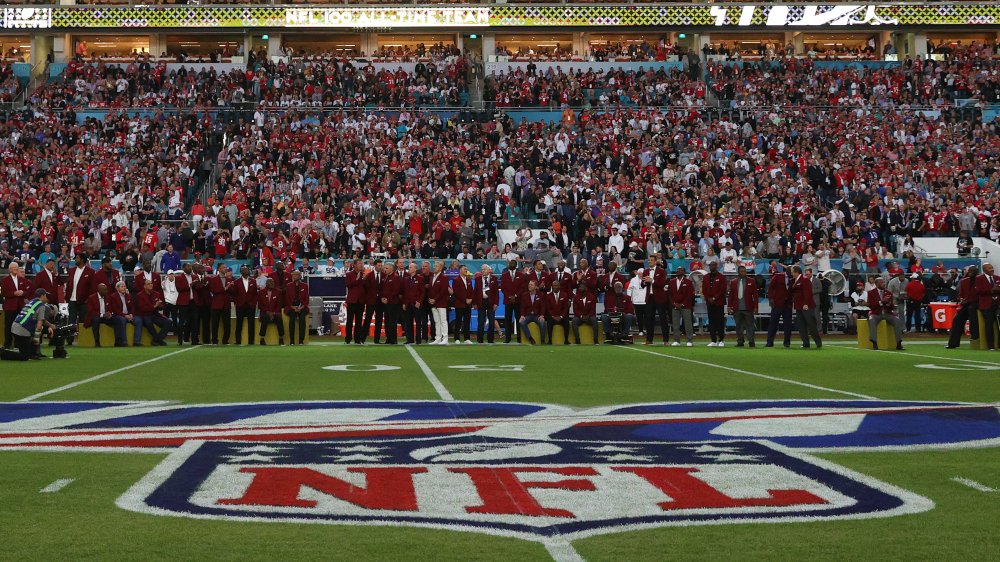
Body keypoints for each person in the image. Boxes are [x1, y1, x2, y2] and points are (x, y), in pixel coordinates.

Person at [8, 289, 54, 360]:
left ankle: (32, 353)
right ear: (42, 296)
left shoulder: (32, 302)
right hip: (23, 330)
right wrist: (36, 339)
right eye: (46, 296)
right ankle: (2, 353)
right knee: (24, 356)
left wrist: (50, 325)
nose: (46, 298)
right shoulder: (41, 306)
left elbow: (40, 318)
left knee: (25, 351)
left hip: (15, 327)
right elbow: (39, 325)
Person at [64, 254, 95, 345]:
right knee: (71, 320)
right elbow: (69, 285)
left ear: (82, 260)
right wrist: (67, 297)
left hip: (84, 301)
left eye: (77, 258)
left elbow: (92, 288)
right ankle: (70, 340)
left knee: (83, 320)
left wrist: (88, 300)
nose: (76, 260)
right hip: (72, 299)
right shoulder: (71, 270)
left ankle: (83, 339)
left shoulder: (90, 272)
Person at [867, 277, 905, 350]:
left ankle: (899, 342)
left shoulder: (888, 293)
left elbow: (892, 307)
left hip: (887, 313)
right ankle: (874, 342)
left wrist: (889, 304)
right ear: (877, 284)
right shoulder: (871, 293)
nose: (884, 284)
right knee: (871, 320)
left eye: (884, 282)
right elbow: (871, 306)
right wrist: (881, 302)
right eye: (882, 282)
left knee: (897, 320)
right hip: (876, 313)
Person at [947, 266, 980, 349]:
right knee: (956, 320)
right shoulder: (964, 281)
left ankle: (975, 341)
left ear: (977, 272)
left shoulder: (980, 280)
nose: (970, 272)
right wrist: (961, 299)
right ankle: (953, 343)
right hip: (965, 304)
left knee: (973, 320)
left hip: (976, 304)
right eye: (969, 271)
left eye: (972, 271)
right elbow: (960, 294)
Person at [791, 266, 822, 349]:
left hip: (806, 306)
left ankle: (818, 343)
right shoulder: (795, 280)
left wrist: (806, 304)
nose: (791, 273)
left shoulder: (804, 280)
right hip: (798, 306)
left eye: (792, 272)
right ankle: (805, 343)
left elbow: (808, 293)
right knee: (801, 326)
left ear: (796, 272)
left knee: (811, 324)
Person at [728, 265, 759, 348]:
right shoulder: (733, 282)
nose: (744, 273)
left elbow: (755, 295)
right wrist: (729, 306)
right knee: (738, 326)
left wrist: (756, 307)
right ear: (738, 272)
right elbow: (731, 295)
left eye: (744, 271)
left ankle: (751, 342)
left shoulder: (751, 281)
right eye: (742, 271)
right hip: (737, 308)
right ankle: (740, 341)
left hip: (748, 307)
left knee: (750, 326)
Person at [642, 255, 670, 345]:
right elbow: (642, 285)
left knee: (663, 319)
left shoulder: (661, 271)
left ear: (655, 261)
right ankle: (649, 340)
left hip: (660, 298)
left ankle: (666, 340)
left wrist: (652, 281)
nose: (649, 262)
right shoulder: (646, 271)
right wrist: (644, 282)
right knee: (649, 319)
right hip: (649, 297)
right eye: (649, 260)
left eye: (651, 260)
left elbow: (663, 283)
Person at [85, 283, 122, 347]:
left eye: (106, 290)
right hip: (96, 316)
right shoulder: (91, 298)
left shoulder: (108, 297)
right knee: (95, 320)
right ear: (99, 290)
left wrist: (110, 313)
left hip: (106, 317)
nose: (106, 291)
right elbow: (91, 311)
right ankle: (97, 342)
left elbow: (111, 307)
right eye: (104, 290)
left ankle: (118, 342)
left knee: (117, 319)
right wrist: (102, 315)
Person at [135, 279, 170, 346]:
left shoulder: (157, 293)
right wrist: (155, 306)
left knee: (168, 322)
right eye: (148, 284)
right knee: (148, 322)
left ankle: (156, 339)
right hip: (144, 315)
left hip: (154, 314)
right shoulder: (140, 295)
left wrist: (160, 306)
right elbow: (142, 308)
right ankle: (158, 340)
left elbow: (160, 308)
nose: (150, 285)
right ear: (144, 286)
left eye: (151, 283)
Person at [766, 263, 793, 348]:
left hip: (787, 305)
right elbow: (770, 288)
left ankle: (787, 343)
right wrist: (770, 299)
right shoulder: (778, 276)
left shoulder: (793, 279)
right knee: (773, 324)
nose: (792, 273)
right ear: (787, 270)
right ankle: (769, 342)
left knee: (788, 325)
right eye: (791, 271)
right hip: (777, 304)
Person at [974, 263, 1000, 350]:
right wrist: (992, 290)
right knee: (989, 326)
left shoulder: (997, 278)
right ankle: (991, 346)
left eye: (992, 267)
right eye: (989, 268)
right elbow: (978, 291)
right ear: (984, 269)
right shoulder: (979, 278)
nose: (992, 269)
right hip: (986, 305)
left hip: (997, 304)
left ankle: (999, 345)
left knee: (999, 326)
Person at [2, 262, 28, 348]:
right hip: (10, 307)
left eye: (17, 268)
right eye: (14, 268)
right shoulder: (5, 280)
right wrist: (14, 293)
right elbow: (4, 293)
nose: (16, 269)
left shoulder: (22, 280)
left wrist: (22, 292)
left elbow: (27, 291)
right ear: (10, 269)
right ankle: (7, 345)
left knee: (19, 327)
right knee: (8, 327)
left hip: (20, 307)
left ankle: (18, 345)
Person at [230, 265, 258, 345]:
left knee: (251, 324)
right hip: (240, 305)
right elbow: (234, 294)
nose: (247, 270)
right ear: (241, 272)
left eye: (247, 269)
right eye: (245, 270)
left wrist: (253, 303)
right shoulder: (236, 282)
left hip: (250, 306)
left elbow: (255, 294)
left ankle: (251, 341)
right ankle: (238, 341)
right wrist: (237, 302)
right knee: (239, 323)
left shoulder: (253, 281)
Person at [668, 266, 695, 346]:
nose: (678, 271)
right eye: (677, 270)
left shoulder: (688, 282)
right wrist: (674, 303)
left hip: (686, 306)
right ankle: (676, 340)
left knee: (688, 323)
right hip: (675, 305)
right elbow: (670, 294)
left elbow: (689, 295)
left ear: (684, 272)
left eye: (680, 270)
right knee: (675, 324)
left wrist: (682, 304)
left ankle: (689, 340)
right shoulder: (672, 281)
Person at [702, 261, 727, 347]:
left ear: (716, 266)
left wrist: (714, 298)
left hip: (719, 302)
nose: (711, 267)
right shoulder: (706, 277)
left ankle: (721, 340)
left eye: (713, 265)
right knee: (711, 321)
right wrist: (708, 298)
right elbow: (704, 289)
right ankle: (713, 340)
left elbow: (722, 290)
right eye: (710, 265)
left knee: (720, 321)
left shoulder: (721, 277)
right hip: (709, 302)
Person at [110, 281, 141, 347]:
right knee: (122, 320)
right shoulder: (113, 296)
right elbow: (115, 310)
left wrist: (131, 314)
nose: (124, 288)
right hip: (118, 315)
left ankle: (137, 341)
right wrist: (124, 316)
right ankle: (124, 341)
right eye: (122, 287)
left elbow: (132, 307)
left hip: (128, 315)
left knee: (139, 320)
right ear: (117, 288)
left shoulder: (128, 296)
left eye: (124, 286)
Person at [208, 265, 233, 346]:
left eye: (226, 267)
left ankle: (225, 340)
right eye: (223, 267)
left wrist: (231, 287)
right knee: (215, 324)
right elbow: (213, 290)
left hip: (226, 305)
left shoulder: (229, 279)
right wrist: (225, 288)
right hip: (216, 304)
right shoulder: (213, 279)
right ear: (218, 269)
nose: (225, 268)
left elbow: (232, 292)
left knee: (227, 324)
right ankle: (214, 340)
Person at [428, 261, 450, 345]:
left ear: (440, 268)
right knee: (437, 321)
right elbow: (430, 289)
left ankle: (445, 339)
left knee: (443, 321)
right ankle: (438, 338)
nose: (434, 267)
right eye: (434, 266)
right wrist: (430, 299)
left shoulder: (444, 277)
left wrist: (435, 299)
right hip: (433, 303)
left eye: (436, 266)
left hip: (441, 302)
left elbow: (443, 290)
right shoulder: (432, 277)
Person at [474, 265, 498, 344]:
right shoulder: (477, 279)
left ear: (489, 270)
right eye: (482, 269)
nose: (483, 271)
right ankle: (480, 339)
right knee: (481, 321)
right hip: (481, 302)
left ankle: (490, 339)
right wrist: (474, 303)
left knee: (491, 321)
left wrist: (496, 303)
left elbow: (496, 293)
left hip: (491, 302)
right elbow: (475, 292)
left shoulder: (494, 279)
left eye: (484, 269)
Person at [344, 259, 366, 344]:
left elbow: (366, 287)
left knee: (359, 321)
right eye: (360, 263)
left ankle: (357, 339)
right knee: (349, 320)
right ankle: (348, 339)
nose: (361, 265)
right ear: (355, 265)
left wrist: (364, 279)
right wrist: (357, 280)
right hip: (352, 301)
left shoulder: (364, 275)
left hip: (361, 301)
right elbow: (348, 285)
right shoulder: (349, 274)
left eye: (362, 263)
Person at [257, 278, 285, 346]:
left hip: (275, 313)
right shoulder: (261, 292)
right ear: (266, 284)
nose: (272, 283)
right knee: (266, 318)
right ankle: (262, 338)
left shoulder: (278, 292)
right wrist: (268, 312)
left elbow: (279, 305)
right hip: (265, 313)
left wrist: (273, 313)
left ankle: (281, 338)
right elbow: (260, 305)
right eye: (270, 282)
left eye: (273, 282)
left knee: (279, 319)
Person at [500, 260, 522, 344]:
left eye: (512, 263)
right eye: (510, 263)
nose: (511, 265)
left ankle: (520, 338)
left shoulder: (521, 275)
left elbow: (522, 287)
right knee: (507, 320)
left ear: (516, 265)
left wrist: (516, 296)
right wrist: (510, 296)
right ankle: (507, 338)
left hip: (518, 300)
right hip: (508, 300)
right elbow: (502, 287)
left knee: (519, 319)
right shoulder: (504, 275)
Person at [286, 270, 310, 346]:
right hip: (291, 306)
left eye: (296, 275)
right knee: (292, 319)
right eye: (293, 275)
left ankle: (301, 340)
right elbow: (287, 299)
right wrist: (292, 307)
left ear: (300, 276)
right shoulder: (288, 285)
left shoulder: (305, 285)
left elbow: (307, 299)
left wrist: (302, 307)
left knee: (302, 319)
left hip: (302, 306)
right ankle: (292, 340)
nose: (294, 276)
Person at [519, 279, 547, 345]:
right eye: (529, 284)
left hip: (537, 315)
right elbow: (522, 307)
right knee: (521, 322)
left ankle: (542, 340)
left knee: (542, 322)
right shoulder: (524, 295)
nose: (529, 286)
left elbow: (543, 306)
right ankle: (530, 338)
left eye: (531, 285)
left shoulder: (541, 294)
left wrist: (542, 315)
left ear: (536, 287)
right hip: (528, 315)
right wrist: (522, 315)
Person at [363, 260, 384, 344]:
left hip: (380, 302)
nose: (380, 267)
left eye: (381, 265)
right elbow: (365, 289)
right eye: (379, 265)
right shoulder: (369, 275)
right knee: (367, 320)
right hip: (370, 302)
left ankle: (377, 339)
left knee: (379, 321)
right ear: (375, 266)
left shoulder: (384, 275)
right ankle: (362, 338)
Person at [403, 263, 425, 345]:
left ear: (415, 269)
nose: (409, 268)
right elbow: (405, 292)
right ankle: (410, 339)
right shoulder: (406, 279)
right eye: (409, 267)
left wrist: (419, 302)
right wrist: (404, 303)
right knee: (408, 323)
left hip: (416, 304)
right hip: (408, 304)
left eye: (411, 267)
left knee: (418, 322)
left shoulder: (420, 278)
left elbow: (422, 292)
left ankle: (418, 340)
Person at [451, 265, 473, 344]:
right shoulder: (456, 280)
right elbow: (456, 293)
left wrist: (470, 299)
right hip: (459, 304)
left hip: (468, 304)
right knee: (458, 321)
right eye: (464, 269)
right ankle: (457, 338)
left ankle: (467, 338)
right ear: (460, 270)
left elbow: (471, 290)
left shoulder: (468, 279)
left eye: (466, 269)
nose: (466, 270)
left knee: (467, 321)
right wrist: (465, 300)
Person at [545, 280, 571, 345]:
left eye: (556, 285)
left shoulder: (564, 295)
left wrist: (561, 316)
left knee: (566, 322)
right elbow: (548, 308)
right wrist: (553, 316)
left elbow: (565, 308)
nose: (555, 287)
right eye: (554, 285)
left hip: (561, 316)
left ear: (559, 286)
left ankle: (566, 340)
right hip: (552, 317)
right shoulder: (548, 296)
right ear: (552, 286)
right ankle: (550, 340)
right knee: (549, 322)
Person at [627, 268, 646, 337]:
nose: (641, 274)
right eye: (640, 273)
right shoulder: (633, 280)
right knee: (639, 317)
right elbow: (629, 289)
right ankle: (640, 330)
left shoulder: (646, 279)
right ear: (638, 273)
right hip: (637, 301)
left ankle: (647, 330)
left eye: (642, 273)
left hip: (645, 301)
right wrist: (629, 299)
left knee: (647, 317)